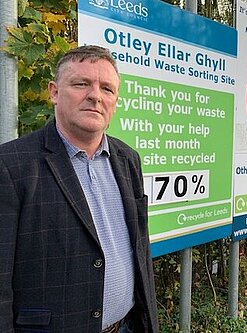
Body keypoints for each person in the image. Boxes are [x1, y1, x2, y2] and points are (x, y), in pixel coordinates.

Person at [0, 45, 158, 332]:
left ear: (115, 100)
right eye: (81, 83)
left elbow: (139, 250)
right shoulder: (11, 165)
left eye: (107, 89)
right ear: (54, 92)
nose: (95, 96)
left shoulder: (128, 160)